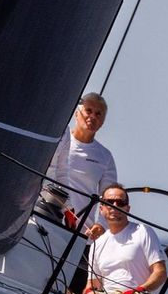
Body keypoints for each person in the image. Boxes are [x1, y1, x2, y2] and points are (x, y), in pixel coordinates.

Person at [76, 183, 167, 294]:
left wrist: (139, 290)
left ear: (127, 208)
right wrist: (85, 293)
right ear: (101, 209)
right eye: (109, 202)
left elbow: (160, 272)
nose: (115, 206)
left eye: (120, 203)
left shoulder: (143, 231)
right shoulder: (97, 244)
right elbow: (92, 284)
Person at [47, 92, 117, 236]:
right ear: (76, 114)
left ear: (102, 122)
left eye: (98, 114)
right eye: (88, 111)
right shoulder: (60, 139)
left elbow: (109, 197)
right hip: (47, 214)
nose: (92, 117)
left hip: (81, 231)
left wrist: (102, 224)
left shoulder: (105, 156)